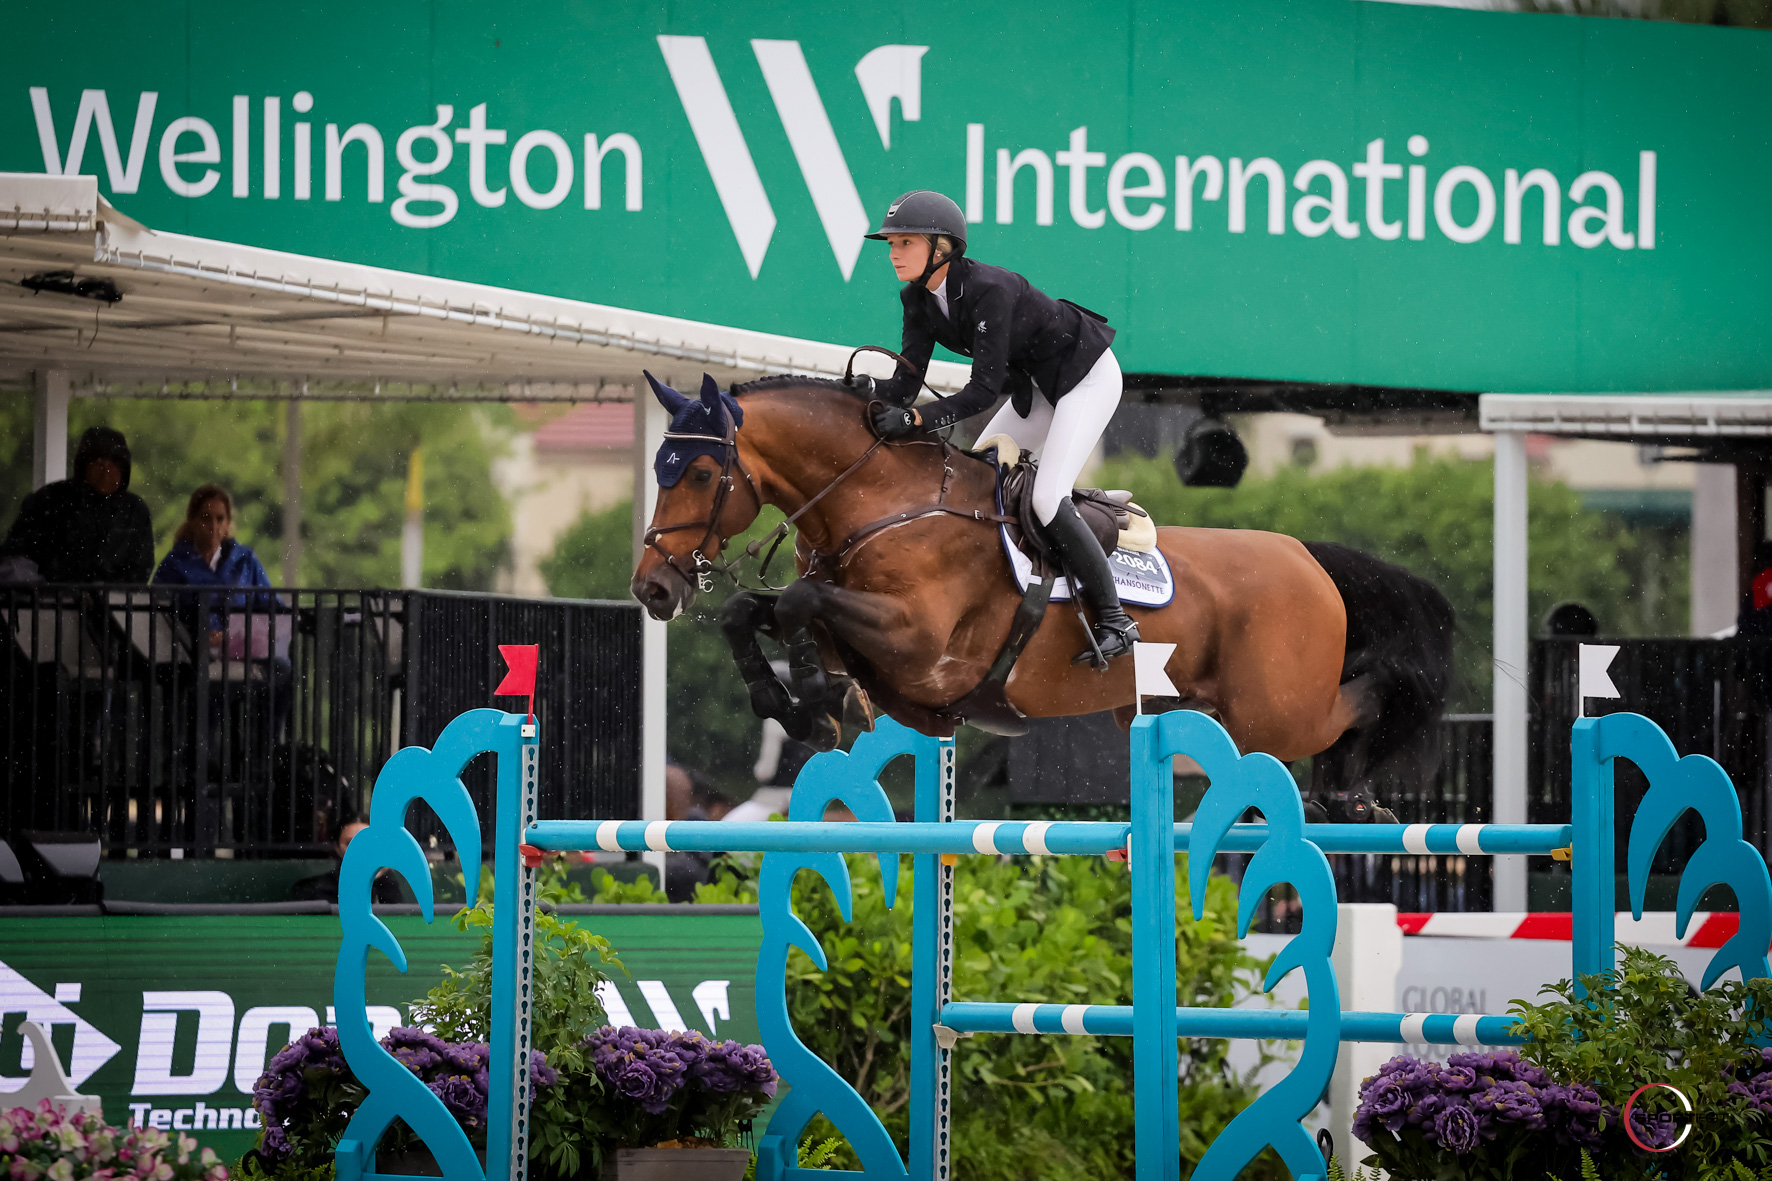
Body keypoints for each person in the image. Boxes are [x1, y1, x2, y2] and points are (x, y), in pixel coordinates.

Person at [858, 190, 1139, 664]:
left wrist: (916, 420)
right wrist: (862, 398)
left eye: (905, 242)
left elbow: (982, 393)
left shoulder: (991, 289)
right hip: (1038, 386)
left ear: (941, 248)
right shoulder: (916, 298)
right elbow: (907, 384)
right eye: (891, 244)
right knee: (980, 483)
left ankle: (1116, 618)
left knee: (1048, 498)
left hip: (1085, 377)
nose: (893, 253)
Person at [0, 426, 154, 583]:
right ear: (84, 464)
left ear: (124, 469)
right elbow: (18, 559)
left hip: (113, 604)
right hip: (50, 603)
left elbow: (140, 569)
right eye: (98, 461)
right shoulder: (49, 500)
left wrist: (105, 594)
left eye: (115, 463)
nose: (106, 470)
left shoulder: (135, 511)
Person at [289, 817, 404, 904]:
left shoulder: (387, 881)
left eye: (367, 842)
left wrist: (382, 878)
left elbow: (399, 918)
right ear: (337, 848)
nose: (359, 849)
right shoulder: (311, 889)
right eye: (350, 843)